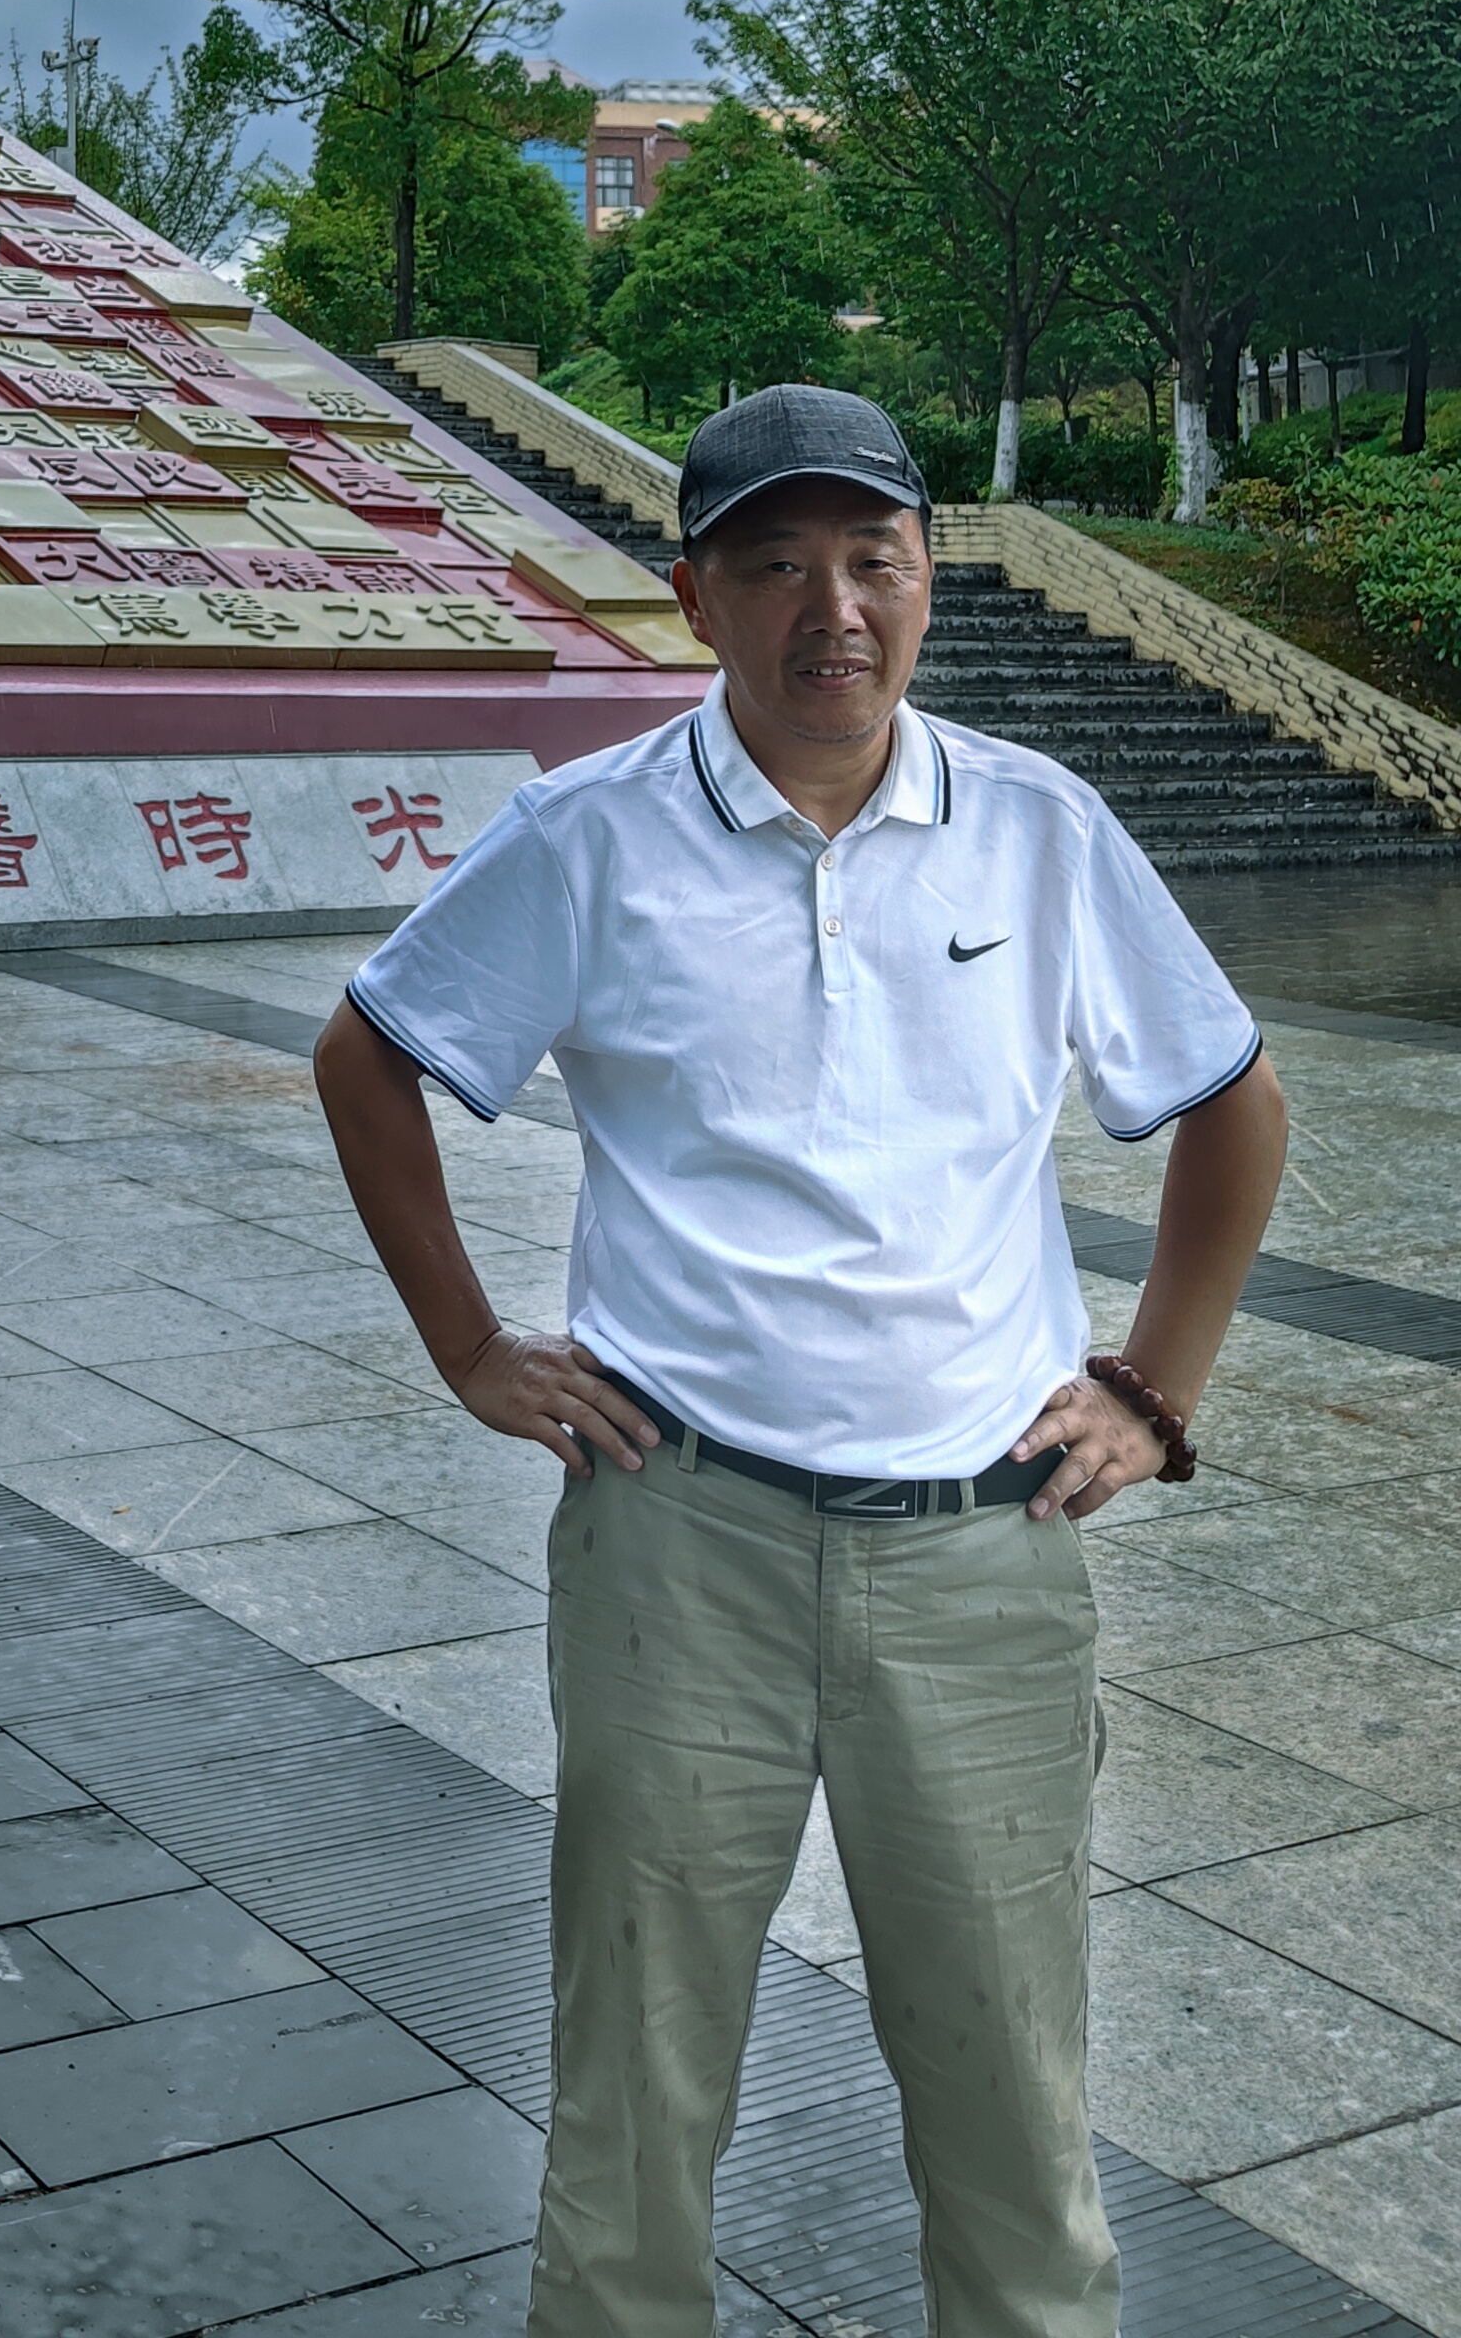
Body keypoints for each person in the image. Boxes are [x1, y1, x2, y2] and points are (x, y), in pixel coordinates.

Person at [314, 383, 1288, 2338]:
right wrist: (468, 1347)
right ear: (697, 595)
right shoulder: (588, 838)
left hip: (978, 1556)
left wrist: (1153, 1386)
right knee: (636, 2103)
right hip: (685, 1536)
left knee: (1013, 2099)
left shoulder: (1037, 830)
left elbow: (1233, 1104)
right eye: (775, 563)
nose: (829, 607)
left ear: (932, 580)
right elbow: (372, 1053)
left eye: (873, 557)